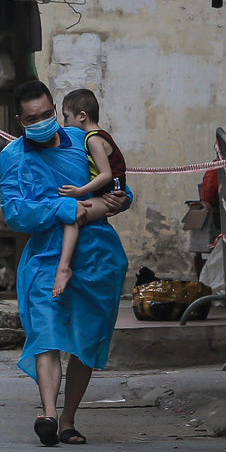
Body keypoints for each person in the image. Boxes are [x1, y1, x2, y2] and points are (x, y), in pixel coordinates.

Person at [0, 79, 133, 447]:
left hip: (97, 256)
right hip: (45, 256)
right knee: (46, 332)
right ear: (19, 120)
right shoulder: (12, 157)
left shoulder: (83, 142)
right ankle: (48, 414)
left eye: (47, 115)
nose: (42, 122)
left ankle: (69, 419)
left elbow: (118, 187)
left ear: (55, 111)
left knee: (86, 340)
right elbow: (16, 213)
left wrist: (115, 202)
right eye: (32, 118)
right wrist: (66, 208)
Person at [52, 89, 127, 300]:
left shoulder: (93, 139)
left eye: (66, 117)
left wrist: (79, 192)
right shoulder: (101, 136)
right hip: (107, 194)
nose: (64, 123)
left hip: (108, 196)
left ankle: (64, 268)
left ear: (82, 116)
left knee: (72, 217)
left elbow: (106, 174)